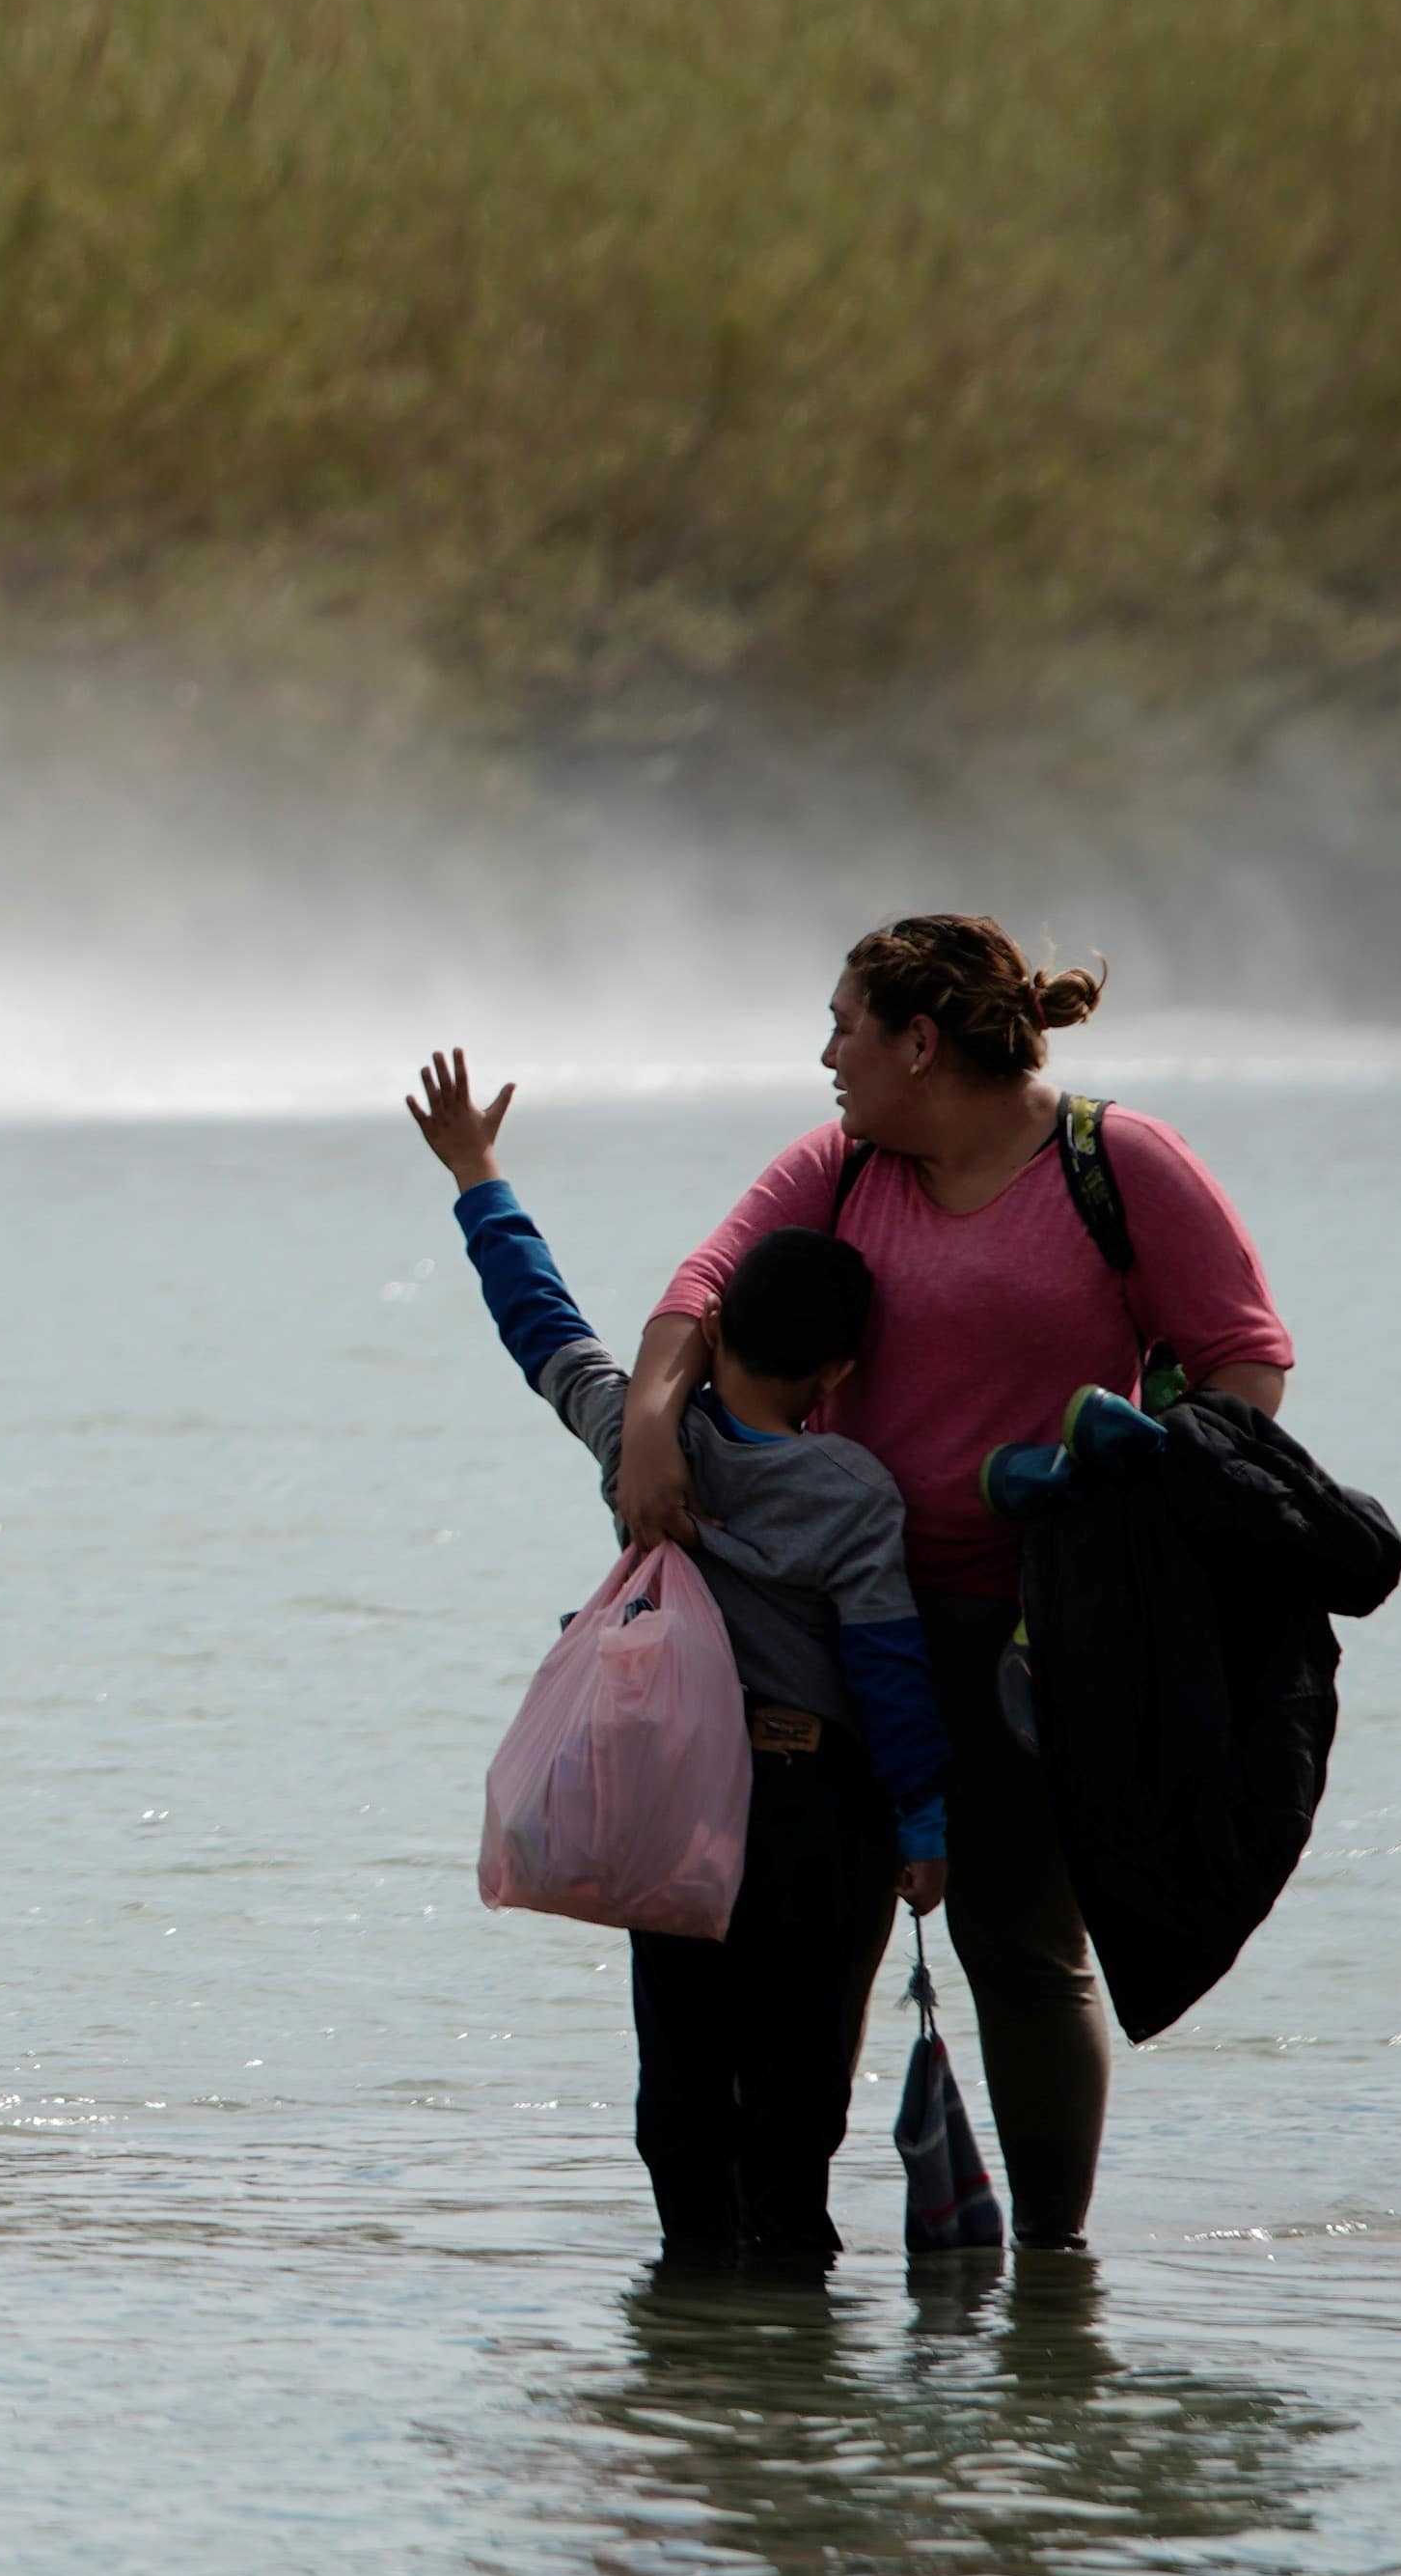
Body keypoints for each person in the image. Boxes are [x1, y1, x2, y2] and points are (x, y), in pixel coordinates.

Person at [612, 915, 1295, 2253]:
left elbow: (1243, 1359)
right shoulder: (843, 1165)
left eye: (844, 1026)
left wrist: (1138, 1513)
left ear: (918, 1041)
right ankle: (764, 2270)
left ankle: (1051, 2284)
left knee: (1021, 1957)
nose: (825, 1056)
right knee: (810, 1956)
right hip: (826, 1628)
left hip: (1026, 1637)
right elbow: (703, 1290)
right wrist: (649, 1422)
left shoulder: (1118, 1164)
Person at [411, 1047, 942, 2265]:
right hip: (807, 1812)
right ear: (840, 1372)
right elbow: (887, 1667)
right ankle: (787, 2313)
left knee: (681, 2075)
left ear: (713, 1336)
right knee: (797, 2089)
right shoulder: (851, 1489)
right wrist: (921, 1824)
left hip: (671, 1800)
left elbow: (535, 1318)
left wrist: (475, 1172)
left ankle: (690, 2313)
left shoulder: (634, 1441)